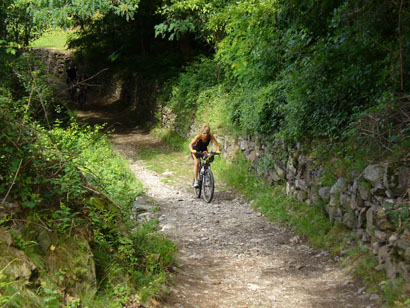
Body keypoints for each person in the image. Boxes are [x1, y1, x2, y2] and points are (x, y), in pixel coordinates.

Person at [189, 124, 221, 188]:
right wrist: (192, 150)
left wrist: (218, 150)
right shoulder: (199, 136)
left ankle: (206, 177)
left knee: (207, 161)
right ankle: (195, 180)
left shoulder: (210, 136)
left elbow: (217, 145)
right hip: (196, 151)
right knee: (197, 163)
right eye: (204, 133)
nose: (205, 135)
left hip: (204, 151)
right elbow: (190, 144)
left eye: (207, 133)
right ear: (201, 132)